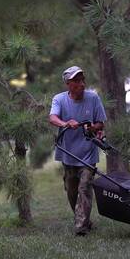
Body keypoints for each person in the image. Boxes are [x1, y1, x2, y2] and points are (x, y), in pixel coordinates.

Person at [49, 66, 107, 236]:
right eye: (76, 81)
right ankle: (85, 220)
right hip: (68, 153)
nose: (81, 83)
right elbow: (52, 118)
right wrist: (66, 123)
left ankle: (80, 228)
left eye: (82, 79)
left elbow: (100, 123)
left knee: (85, 188)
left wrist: (92, 128)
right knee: (72, 192)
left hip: (88, 153)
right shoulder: (59, 99)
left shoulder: (93, 98)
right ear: (68, 83)